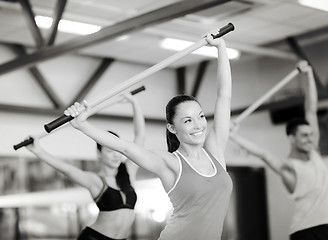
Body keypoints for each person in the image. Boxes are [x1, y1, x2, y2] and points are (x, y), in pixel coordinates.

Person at [64, 31, 233, 240]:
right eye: (187, 120)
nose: (198, 125)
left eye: (200, 116)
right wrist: (82, 126)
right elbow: (125, 147)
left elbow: (224, 96)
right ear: (172, 128)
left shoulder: (215, 152)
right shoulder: (169, 162)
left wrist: (221, 48)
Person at [26, 93, 146, 240]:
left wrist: (134, 103)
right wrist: (38, 151)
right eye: (109, 151)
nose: (116, 155)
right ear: (99, 154)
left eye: (117, 151)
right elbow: (66, 169)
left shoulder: (129, 171)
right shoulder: (94, 180)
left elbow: (140, 136)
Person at [229, 62, 328, 240]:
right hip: (306, 230)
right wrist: (233, 136)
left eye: (311, 134)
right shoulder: (288, 167)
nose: (310, 139)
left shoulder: (314, 153)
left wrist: (309, 75)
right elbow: (262, 153)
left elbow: (311, 109)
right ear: (292, 138)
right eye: (304, 136)